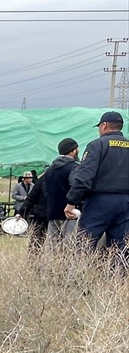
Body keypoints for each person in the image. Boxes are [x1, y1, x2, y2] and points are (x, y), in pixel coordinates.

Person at [65, 110, 128, 263]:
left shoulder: (97, 145)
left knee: (84, 243)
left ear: (104, 125)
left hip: (100, 202)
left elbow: (84, 177)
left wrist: (71, 201)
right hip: (126, 203)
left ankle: (78, 280)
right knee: (121, 247)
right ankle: (115, 283)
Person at [41, 137, 80, 245]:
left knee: (53, 246)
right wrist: (73, 203)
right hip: (70, 212)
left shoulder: (49, 169)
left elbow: (45, 189)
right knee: (70, 245)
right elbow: (76, 186)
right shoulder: (74, 167)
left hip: (52, 211)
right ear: (73, 151)